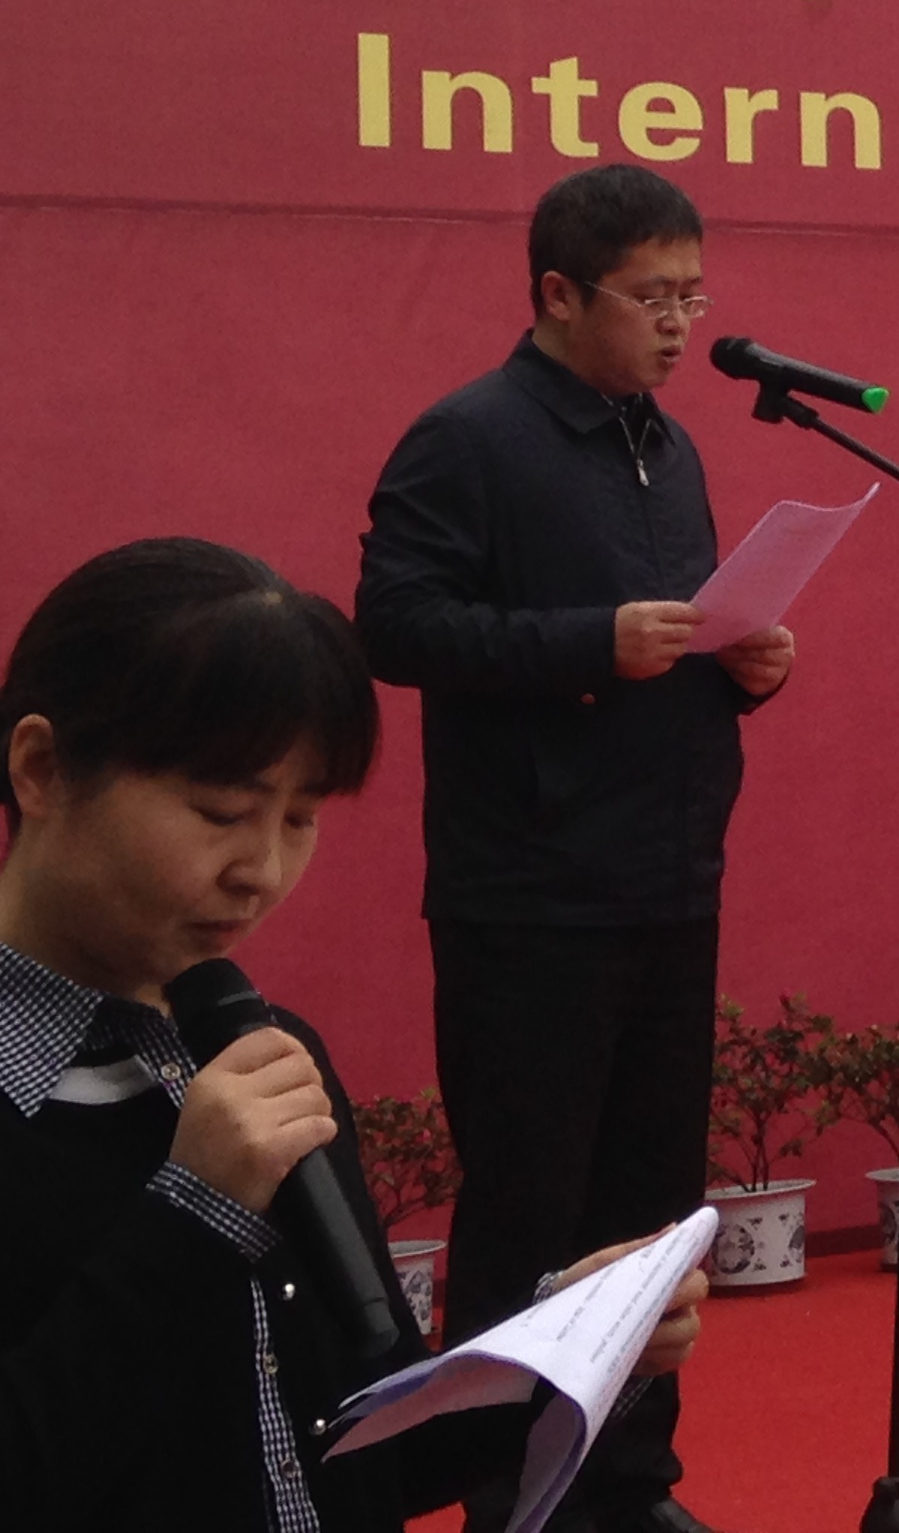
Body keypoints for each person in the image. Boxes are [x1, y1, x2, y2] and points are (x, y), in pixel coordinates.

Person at [0, 538, 705, 1533]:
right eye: (220, 811)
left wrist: (558, 1348)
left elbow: (366, 1448)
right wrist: (194, 1213)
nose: (261, 870)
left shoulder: (261, 1058)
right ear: (41, 769)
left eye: (300, 818)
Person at [356, 167, 790, 1533]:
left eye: (693, 296)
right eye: (652, 297)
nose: (679, 324)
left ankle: (629, 1481)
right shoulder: (468, 438)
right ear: (557, 293)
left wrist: (743, 663)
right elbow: (395, 625)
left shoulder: (671, 445)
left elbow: (674, 638)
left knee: (653, 1217)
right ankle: (507, 1493)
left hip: (670, 875)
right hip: (529, 892)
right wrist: (586, 644)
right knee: (530, 1213)